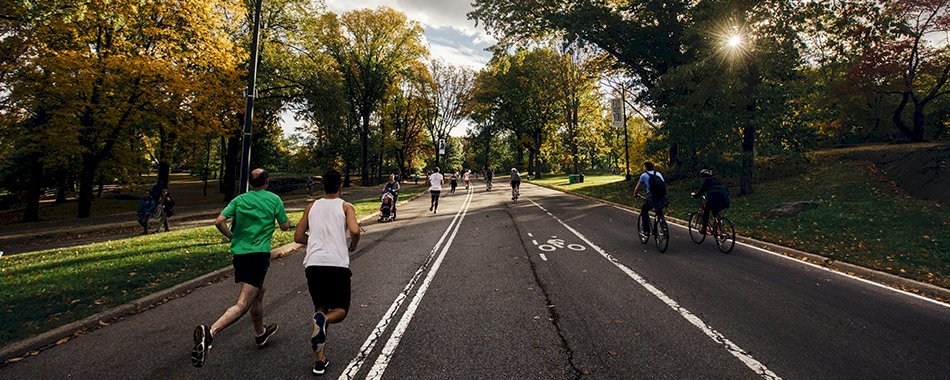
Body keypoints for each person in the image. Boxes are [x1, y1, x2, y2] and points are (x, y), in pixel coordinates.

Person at [191, 169, 291, 368]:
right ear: (267, 181)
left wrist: (231, 236)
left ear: (250, 183)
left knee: (258, 292)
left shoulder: (239, 200)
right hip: (258, 255)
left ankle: (260, 334)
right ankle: (210, 333)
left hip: (240, 255)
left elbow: (219, 221)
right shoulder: (274, 199)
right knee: (243, 303)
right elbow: (285, 226)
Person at [293, 170, 361, 376]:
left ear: (323, 186)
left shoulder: (311, 206)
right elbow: (355, 230)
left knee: (320, 309)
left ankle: (319, 360)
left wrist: (314, 242)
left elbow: (298, 236)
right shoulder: (346, 207)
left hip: (313, 264)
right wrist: (353, 245)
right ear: (340, 186)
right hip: (337, 264)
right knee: (341, 310)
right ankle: (325, 322)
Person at [632, 161, 667, 239]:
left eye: (643, 167)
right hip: (662, 196)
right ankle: (663, 227)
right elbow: (663, 185)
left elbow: (637, 187)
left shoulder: (644, 175)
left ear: (646, 167)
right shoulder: (658, 174)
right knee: (659, 209)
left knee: (644, 211)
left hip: (651, 197)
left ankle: (646, 231)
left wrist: (635, 194)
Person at [691, 169, 731, 235]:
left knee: (706, 211)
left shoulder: (706, 182)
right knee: (715, 212)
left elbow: (700, 193)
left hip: (714, 199)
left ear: (703, 176)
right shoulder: (716, 181)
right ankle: (718, 227)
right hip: (724, 199)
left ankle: (704, 229)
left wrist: (694, 195)